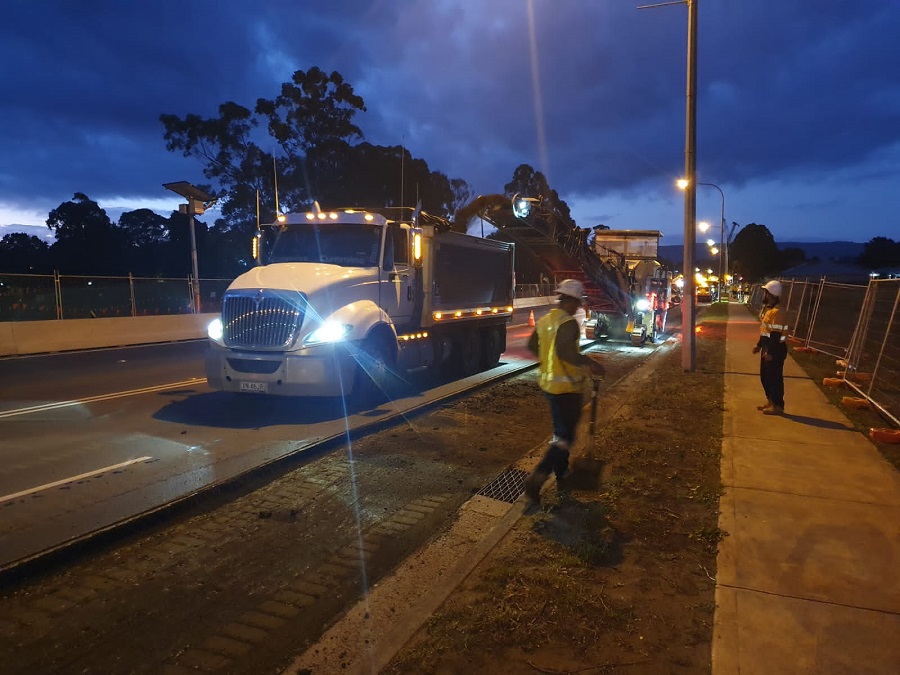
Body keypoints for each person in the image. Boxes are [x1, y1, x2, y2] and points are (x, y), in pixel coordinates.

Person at [524, 279, 605, 502]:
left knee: (562, 435)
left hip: (550, 386)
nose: (579, 307)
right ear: (571, 300)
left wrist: (549, 360)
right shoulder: (567, 323)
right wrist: (591, 364)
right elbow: (566, 354)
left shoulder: (546, 319)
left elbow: (533, 346)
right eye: (578, 302)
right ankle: (538, 477)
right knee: (564, 437)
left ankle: (562, 474)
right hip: (567, 388)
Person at [753, 279, 789, 415]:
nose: (765, 295)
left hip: (775, 349)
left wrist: (770, 352)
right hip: (768, 347)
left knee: (774, 378)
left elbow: (775, 335)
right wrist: (759, 346)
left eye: (766, 292)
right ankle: (771, 402)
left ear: (771, 294)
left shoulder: (778, 312)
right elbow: (765, 332)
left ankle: (778, 405)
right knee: (765, 377)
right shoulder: (771, 310)